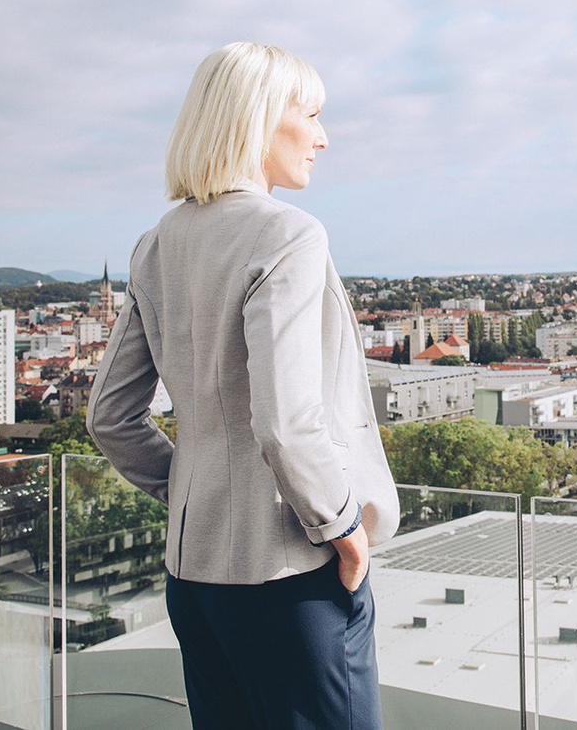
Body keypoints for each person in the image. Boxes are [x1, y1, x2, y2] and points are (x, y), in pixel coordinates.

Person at [88, 42, 399, 730]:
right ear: (258, 118)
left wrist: (192, 489)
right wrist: (344, 531)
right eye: (310, 115)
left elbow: (110, 416)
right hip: (292, 575)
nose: (323, 137)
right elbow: (287, 421)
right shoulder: (287, 235)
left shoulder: (156, 244)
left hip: (192, 579)